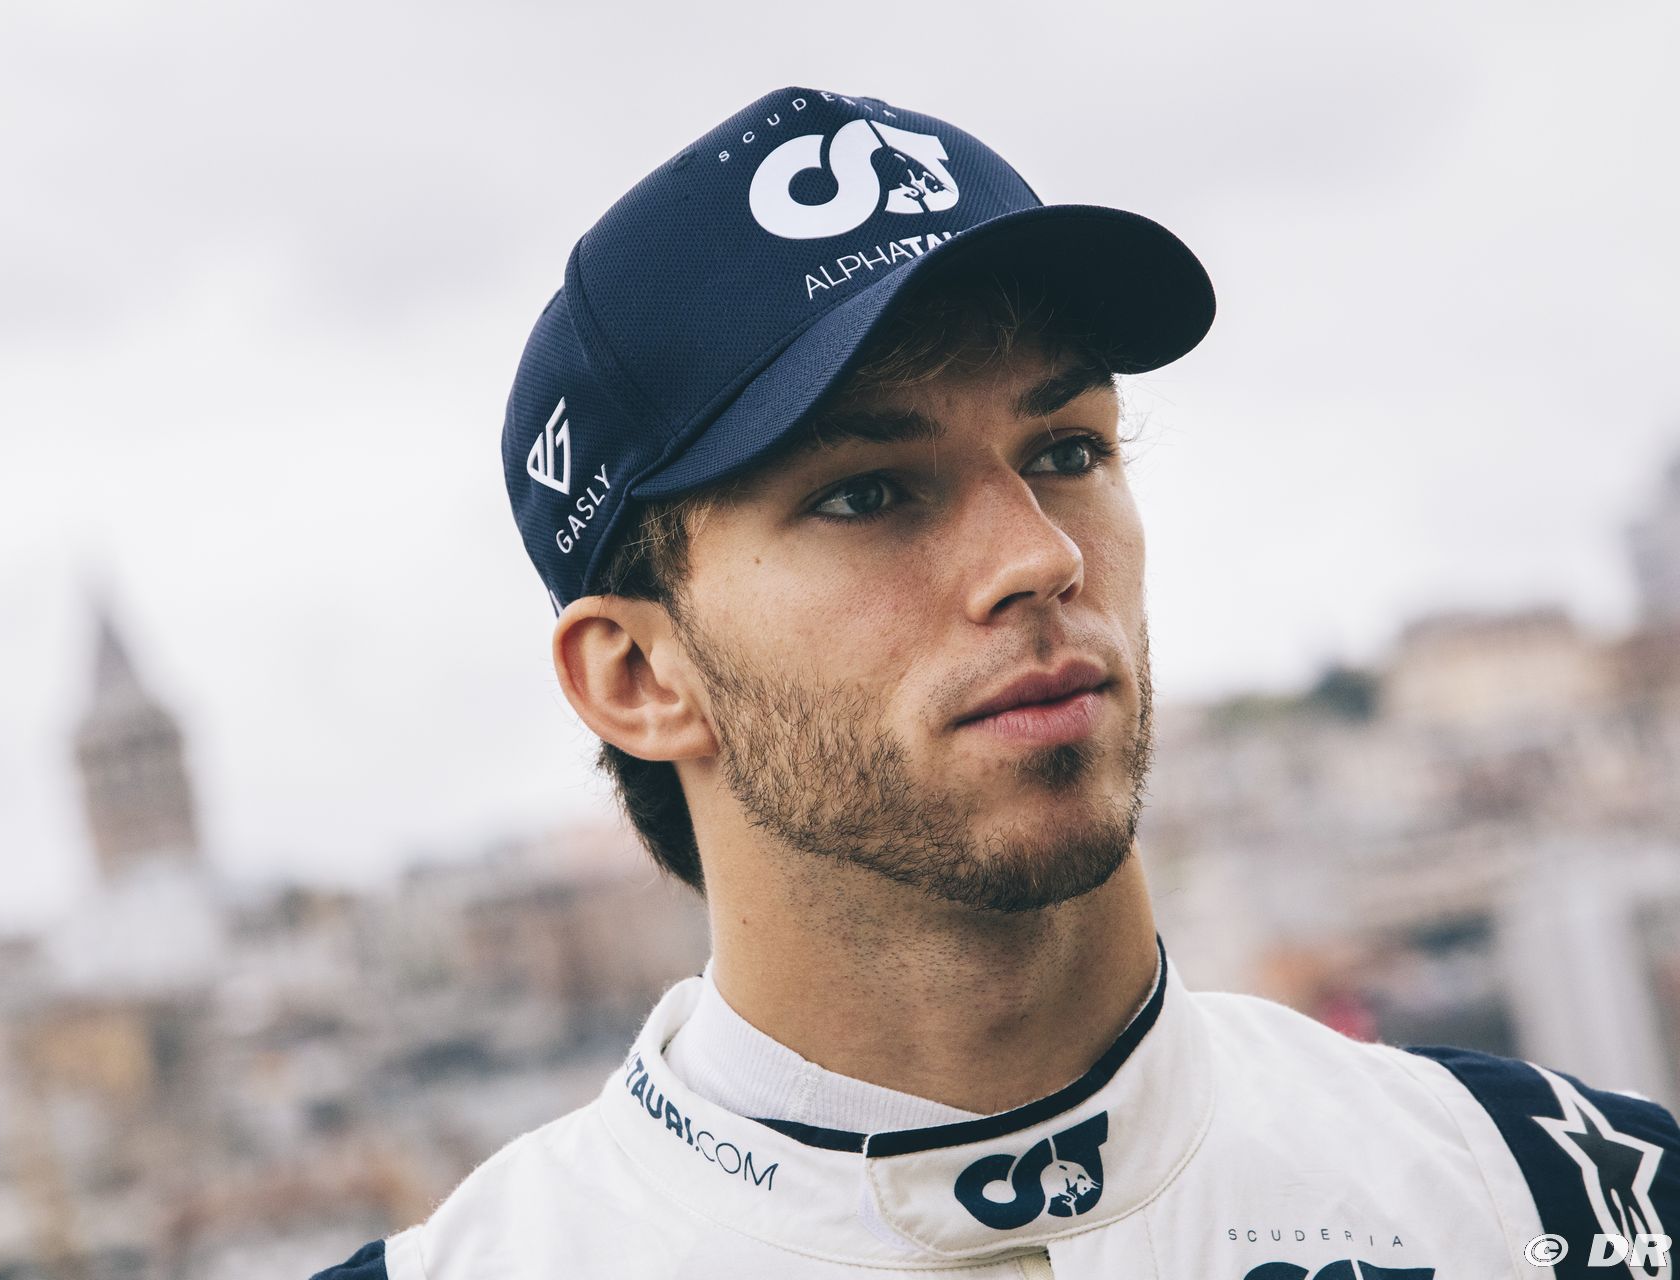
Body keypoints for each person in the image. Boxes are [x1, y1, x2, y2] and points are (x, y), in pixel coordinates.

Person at [313, 87, 1680, 1279]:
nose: (1038, 556)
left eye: (1068, 450)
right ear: (636, 675)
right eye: (867, 492)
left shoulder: (1562, 1206)